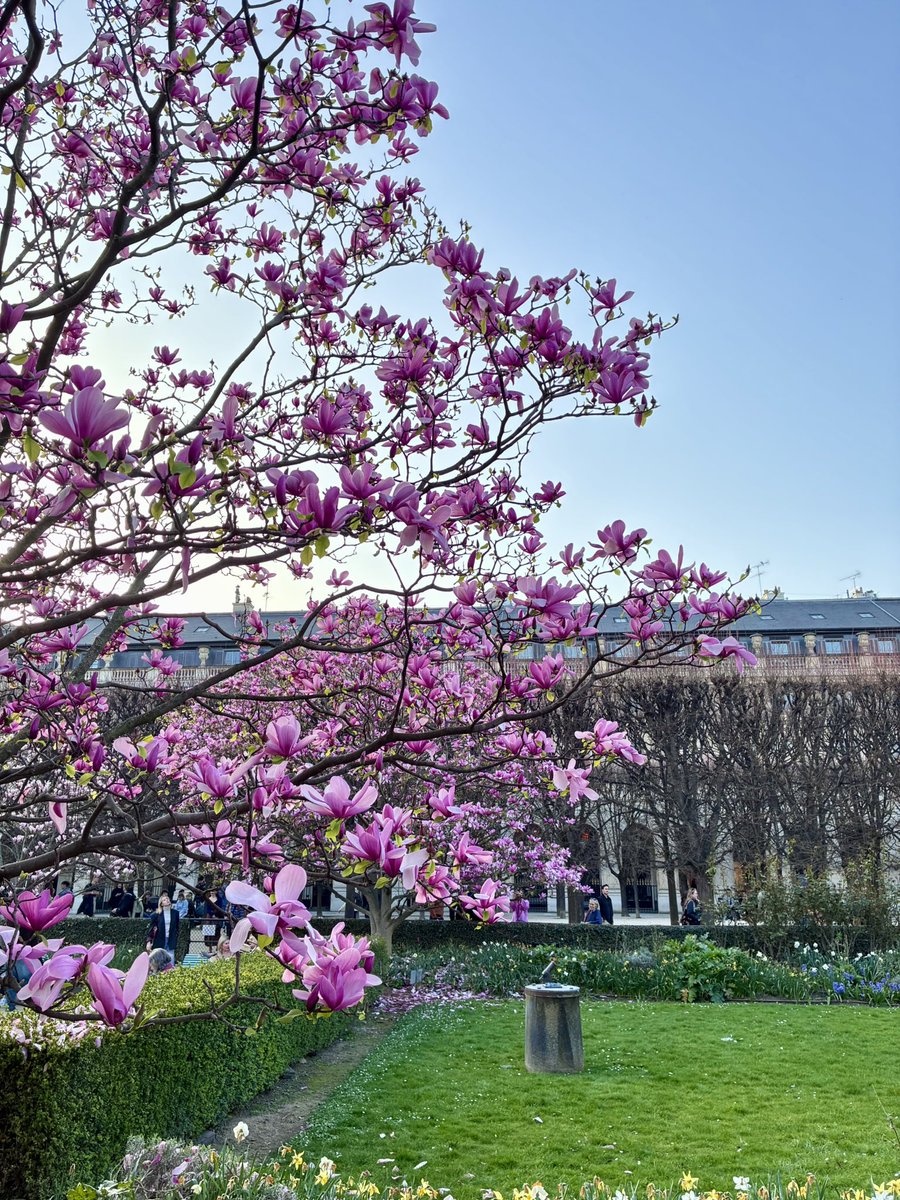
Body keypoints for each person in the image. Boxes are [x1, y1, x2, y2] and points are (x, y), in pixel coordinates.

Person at [146, 893, 180, 964]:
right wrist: (149, 941)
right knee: (158, 960)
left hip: (170, 939)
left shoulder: (175, 913)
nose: (167, 900)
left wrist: (175, 936)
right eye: (164, 900)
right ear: (161, 904)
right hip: (160, 939)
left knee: (171, 959)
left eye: (167, 899)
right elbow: (151, 929)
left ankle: (170, 973)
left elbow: (176, 927)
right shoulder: (156, 914)